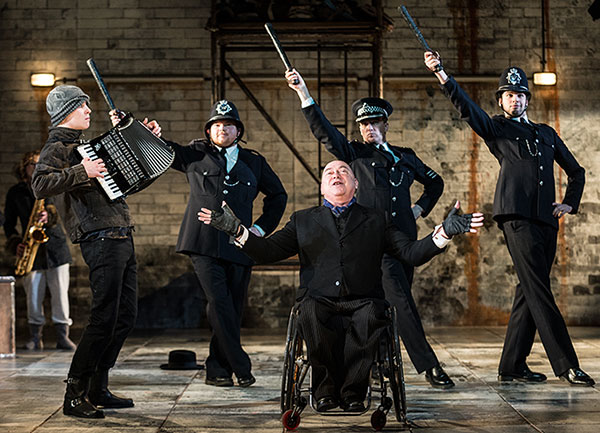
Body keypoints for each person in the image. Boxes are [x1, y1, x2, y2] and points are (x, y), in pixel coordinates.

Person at [199, 160, 483, 411]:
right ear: (322, 187)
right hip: (318, 299)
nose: (336, 174)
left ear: (355, 184)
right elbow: (267, 251)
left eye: (344, 171)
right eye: (329, 172)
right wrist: (236, 230)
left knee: (371, 315)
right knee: (310, 313)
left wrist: (444, 232)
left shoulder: (377, 219)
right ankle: (324, 391)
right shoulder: (303, 220)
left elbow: (411, 253)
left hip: (364, 300)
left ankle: (354, 393)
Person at [424, 52, 594, 386]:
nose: (514, 100)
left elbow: (576, 171)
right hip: (516, 217)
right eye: (507, 95)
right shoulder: (497, 128)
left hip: (547, 220)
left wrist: (569, 205)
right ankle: (567, 364)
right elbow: (467, 109)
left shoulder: (546, 133)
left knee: (528, 290)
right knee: (540, 289)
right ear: (501, 101)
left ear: (527, 99)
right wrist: (442, 73)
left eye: (519, 95)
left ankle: (512, 365)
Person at [284, 69, 453, 389]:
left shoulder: (406, 157)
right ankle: (429, 366)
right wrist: (304, 94)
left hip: (405, 239)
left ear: (385, 126)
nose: (370, 129)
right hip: (374, 244)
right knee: (401, 301)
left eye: (375, 123)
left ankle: (376, 360)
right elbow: (325, 133)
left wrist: (418, 209)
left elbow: (435, 183)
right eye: (364, 125)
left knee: (388, 305)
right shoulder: (354, 153)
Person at [32, 84, 163, 419]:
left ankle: (97, 387)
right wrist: (81, 171)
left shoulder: (85, 147)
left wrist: (145, 139)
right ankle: (74, 394)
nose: (89, 111)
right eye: (82, 107)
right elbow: (40, 184)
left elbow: (134, 178)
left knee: (125, 315)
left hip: (121, 233)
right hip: (100, 237)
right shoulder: (57, 146)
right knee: (104, 317)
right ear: (66, 113)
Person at [140, 100, 287, 388]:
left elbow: (278, 196)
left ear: (238, 131)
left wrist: (259, 228)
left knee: (232, 307)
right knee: (218, 302)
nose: (222, 129)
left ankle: (217, 369)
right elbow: (163, 149)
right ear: (208, 131)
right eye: (216, 125)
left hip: (240, 243)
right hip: (203, 242)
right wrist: (149, 135)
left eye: (228, 124)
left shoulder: (254, 161)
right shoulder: (195, 154)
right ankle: (241, 366)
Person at [3, 150, 75, 351]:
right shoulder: (15, 193)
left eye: (39, 164)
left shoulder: (51, 186)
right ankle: (36, 337)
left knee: (61, 294)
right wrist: (15, 241)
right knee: (33, 295)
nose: (37, 168)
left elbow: (65, 213)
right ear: (24, 168)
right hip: (29, 249)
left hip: (56, 248)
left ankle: (63, 337)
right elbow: (8, 224)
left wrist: (49, 215)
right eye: (33, 164)